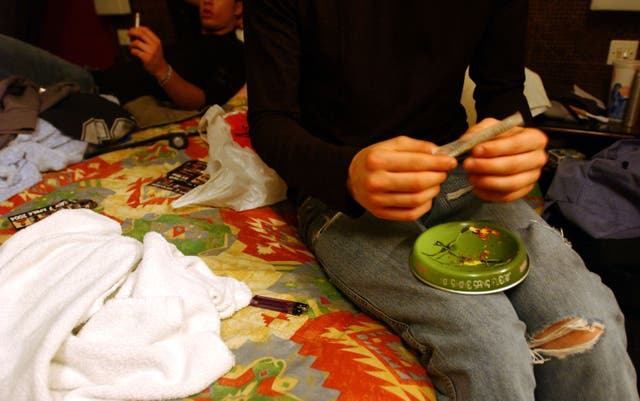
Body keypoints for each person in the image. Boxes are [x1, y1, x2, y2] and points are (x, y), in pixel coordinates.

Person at [243, 1, 639, 400]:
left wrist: (510, 142)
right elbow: (269, 119)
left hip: (457, 171)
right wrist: (347, 172)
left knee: (591, 324)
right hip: (341, 192)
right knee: (487, 345)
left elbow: (503, 91)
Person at [0, 0, 244, 111]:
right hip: (95, 75)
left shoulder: (235, 51)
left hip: (95, 90)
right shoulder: (190, 27)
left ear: (239, 7)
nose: (208, 2)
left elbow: (202, 101)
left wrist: (161, 69)